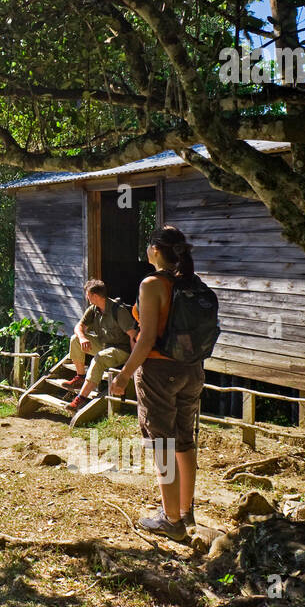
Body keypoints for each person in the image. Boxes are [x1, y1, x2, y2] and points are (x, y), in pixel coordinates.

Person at [109, 226, 204, 542]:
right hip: (192, 370)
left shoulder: (152, 284)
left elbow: (147, 338)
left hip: (160, 374)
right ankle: (186, 510)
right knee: (184, 439)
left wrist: (123, 375)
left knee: (162, 443)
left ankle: (171, 520)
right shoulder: (190, 283)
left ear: (155, 250)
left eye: (149, 245)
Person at [63, 279, 138, 413]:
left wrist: (132, 363)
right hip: (104, 344)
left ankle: (80, 400)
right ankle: (80, 377)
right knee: (75, 339)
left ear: (95, 296)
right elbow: (79, 326)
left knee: (99, 358)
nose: (87, 297)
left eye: (88, 294)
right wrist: (82, 338)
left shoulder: (118, 311)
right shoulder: (93, 309)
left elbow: (133, 336)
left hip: (121, 350)